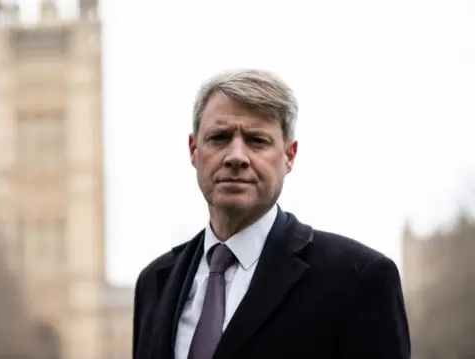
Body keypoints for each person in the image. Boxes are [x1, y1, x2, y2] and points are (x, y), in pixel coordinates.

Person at [131, 69, 411, 359]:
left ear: (289, 156)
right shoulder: (154, 284)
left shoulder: (358, 279)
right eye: (219, 138)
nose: (236, 156)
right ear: (193, 150)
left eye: (257, 140)